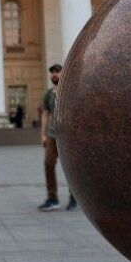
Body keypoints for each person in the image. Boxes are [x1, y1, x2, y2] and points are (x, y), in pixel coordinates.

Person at [39, 63, 76, 211]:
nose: (54, 74)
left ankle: (74, 197)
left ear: (63, 74)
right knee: (48, 164)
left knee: (70, 167)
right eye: (52, 72)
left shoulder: (69, 92)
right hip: (52, 135)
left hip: (67, 136)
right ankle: (52, 197)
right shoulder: (48, 94)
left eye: (57, 72)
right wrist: (43, 135)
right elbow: (45, 115)